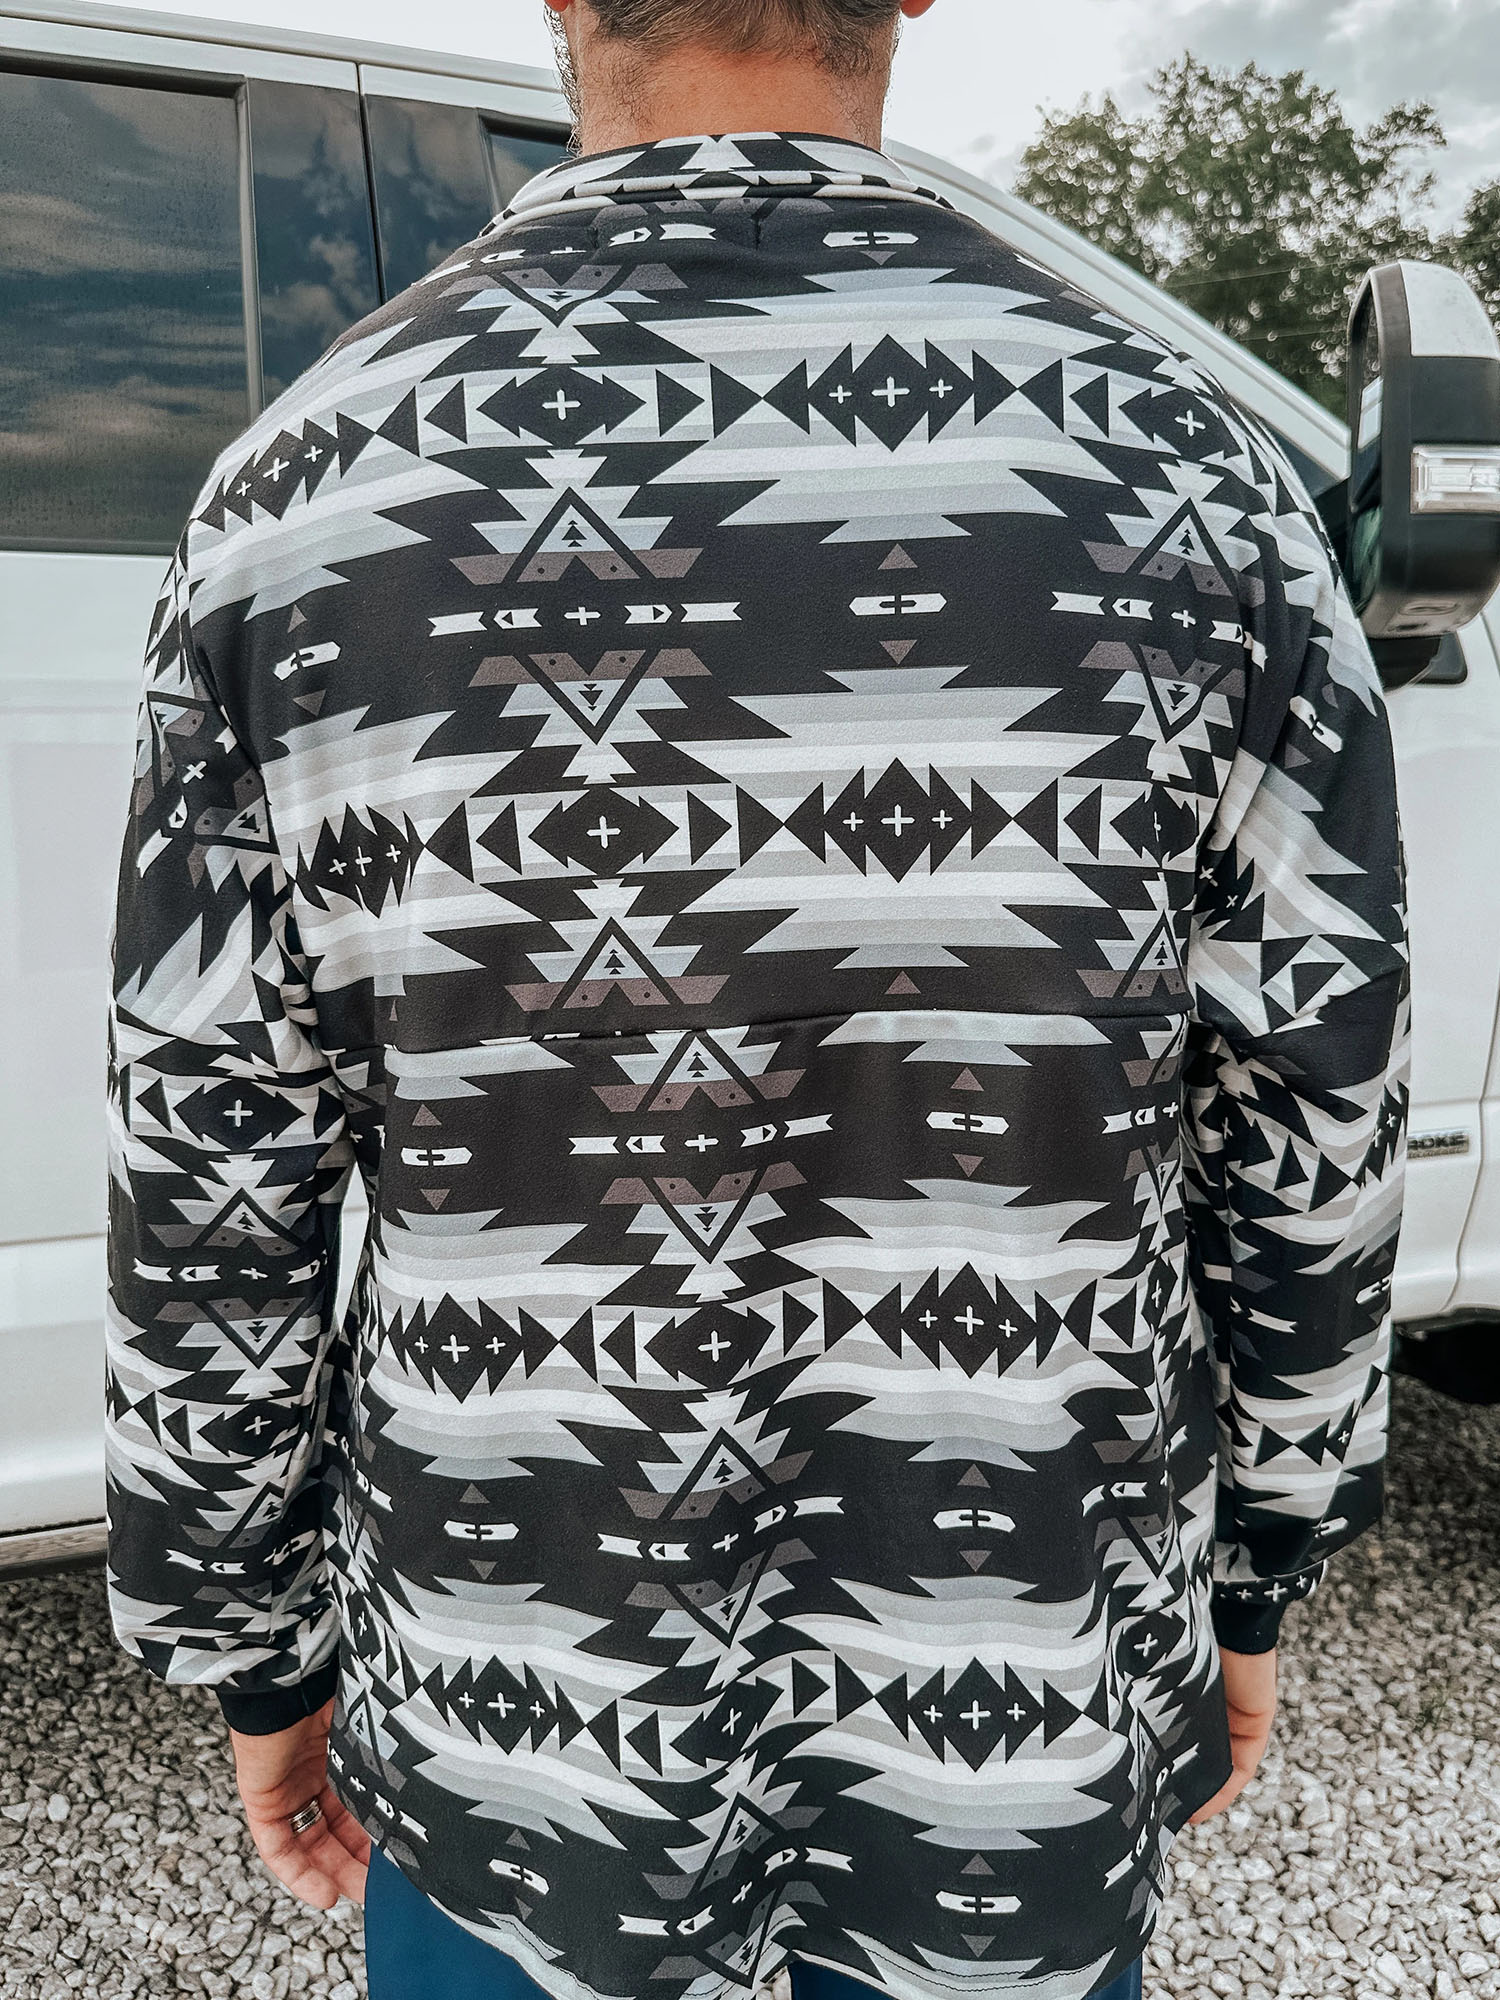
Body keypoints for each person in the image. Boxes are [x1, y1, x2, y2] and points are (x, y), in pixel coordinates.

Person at [101, 1, 1411, 1997]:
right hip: (1016, 1721)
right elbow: (1317, 1114)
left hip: (527, 1734)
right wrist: (1254, 1574)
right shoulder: (1197, 487)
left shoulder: (300, 503)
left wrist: (258, 1654)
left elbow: (209, 1157)